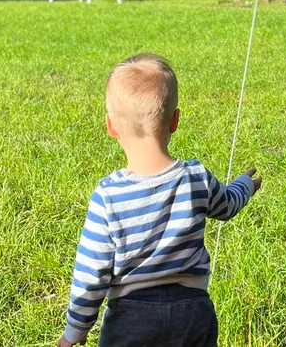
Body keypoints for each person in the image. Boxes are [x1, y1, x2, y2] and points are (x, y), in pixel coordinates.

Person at [59, 54, 261, 347]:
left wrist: (75, 331)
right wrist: (245, 185)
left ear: (110, 126)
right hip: (193, 312)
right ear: (175, 121)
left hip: (131, 318)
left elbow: (91, 273)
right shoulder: (195, 176)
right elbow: (228, 205)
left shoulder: (108, 195)